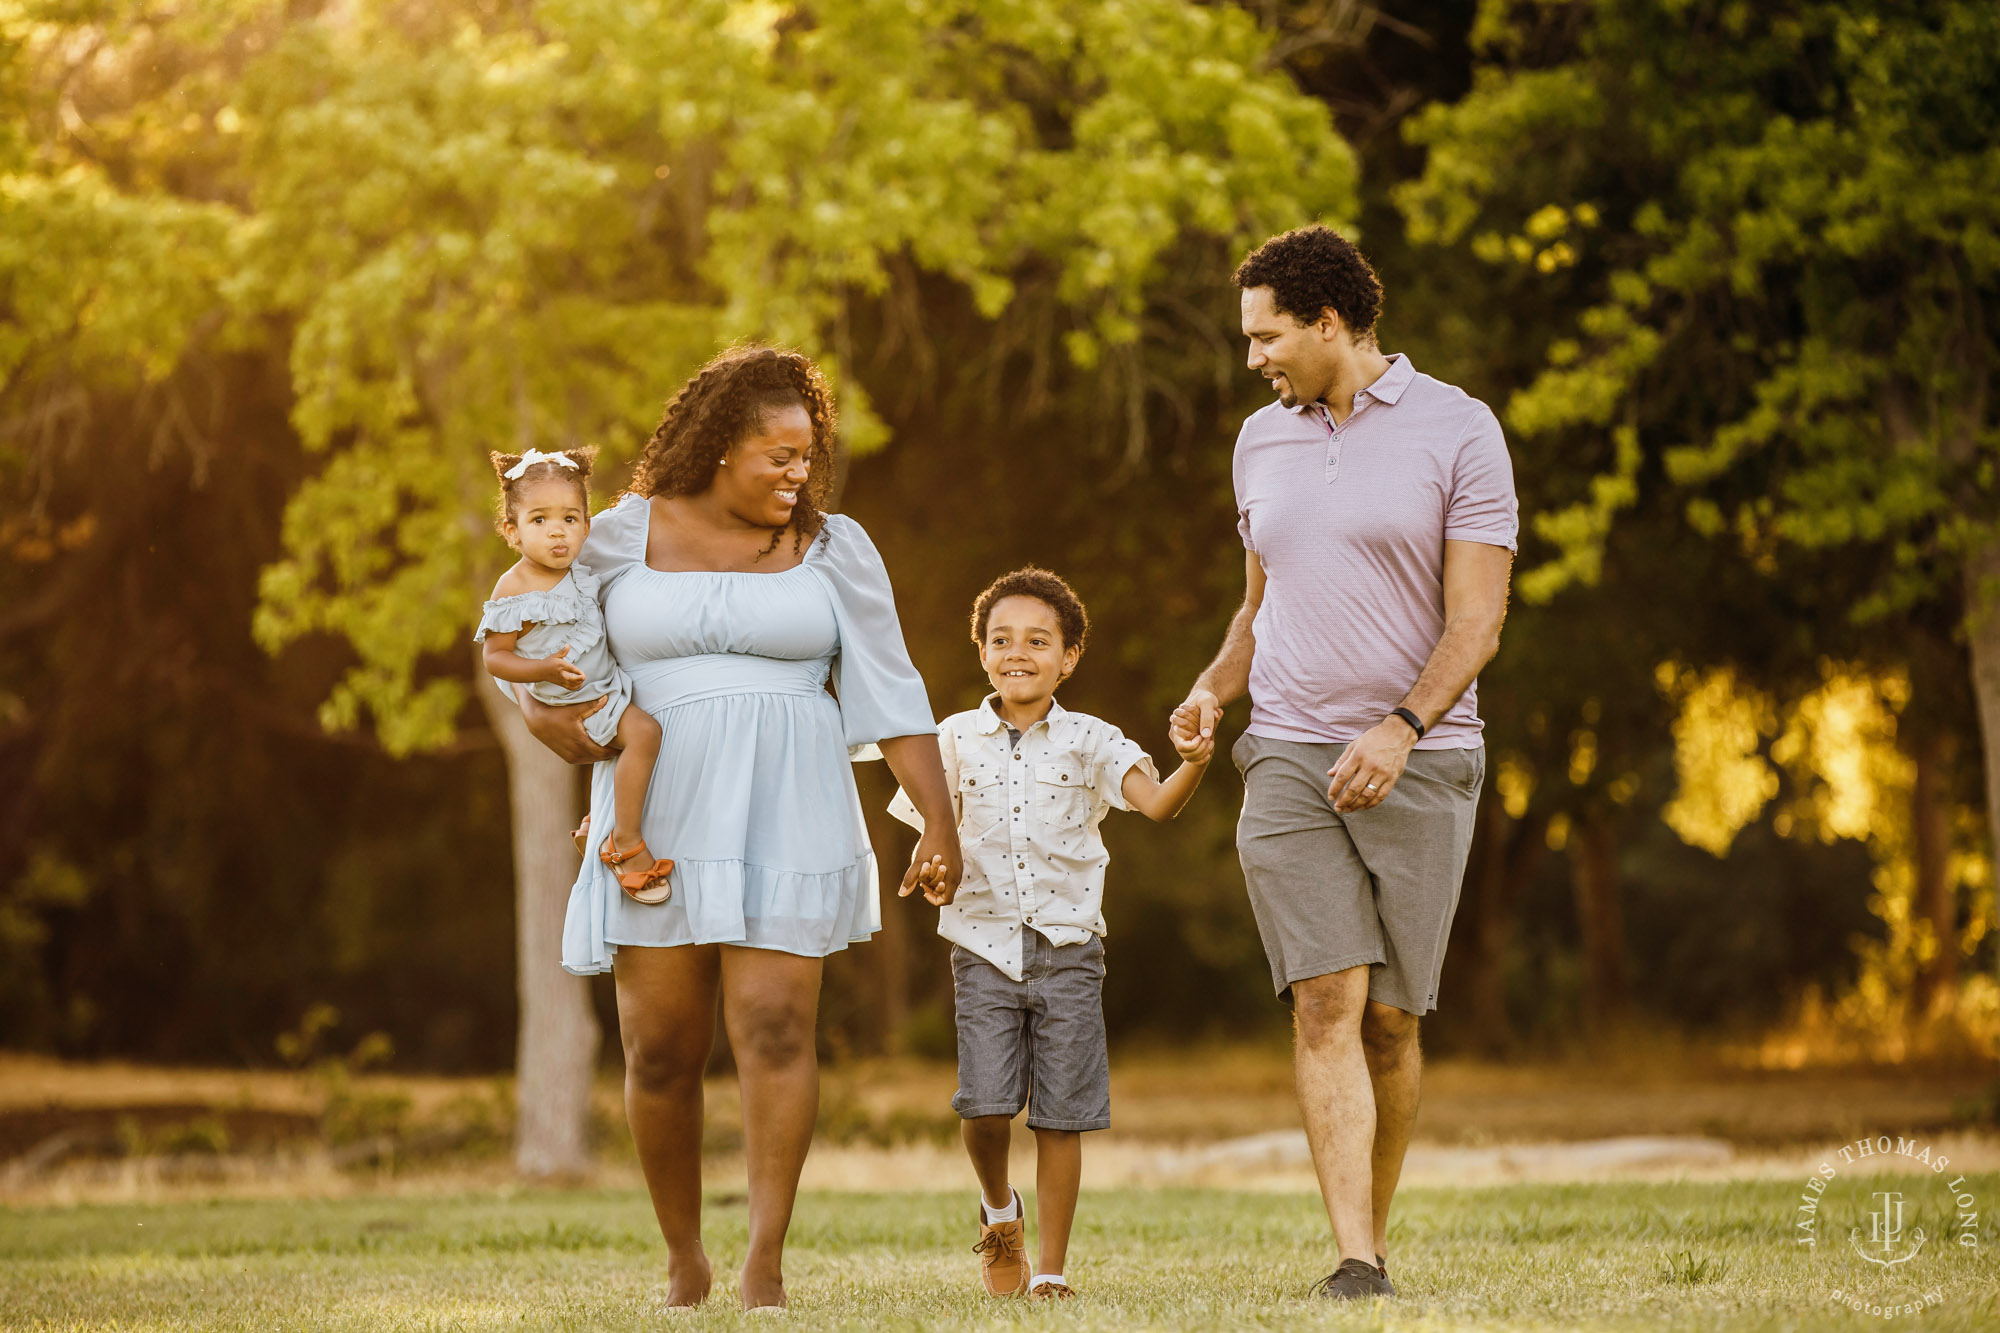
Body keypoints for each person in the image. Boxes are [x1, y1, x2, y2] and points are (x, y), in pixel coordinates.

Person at [514, 346, 962, 1313]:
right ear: (719, 448)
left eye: (808, 457)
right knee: (662, 1046)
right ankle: (684, 1256)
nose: (798, 475)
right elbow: (544, 647)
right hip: (659, 800)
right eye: (777, 456)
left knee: (772, 1024)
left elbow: (893, 691)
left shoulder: (835, 547)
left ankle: (764, 1259)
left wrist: (939, 820)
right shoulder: (617, 536)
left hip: (790, 797)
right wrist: (552, 720)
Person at [1171, 226, 1517, 1301]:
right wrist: (1210, 689)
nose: (1251, 359)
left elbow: (1477, 621)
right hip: (1283, 752)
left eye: (1265, 336)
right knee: (1324, 996)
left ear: (1330, 322)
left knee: (1389, 1018)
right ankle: (1355, 1257)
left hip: (1421, 757)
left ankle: (1371, 1227)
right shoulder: (1257, 440)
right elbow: (1254, 603)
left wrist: (1399, 726)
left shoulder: (1458, 430)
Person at [892, 567, 1212, 1302]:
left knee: (1062, 1114)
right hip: (981, 947)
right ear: (981, 652)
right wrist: (935, 869)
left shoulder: (1092, 741)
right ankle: (1000, 1212)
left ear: (1068, 657)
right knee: (984, 1104)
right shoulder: (952, 739)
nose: (1018, 653)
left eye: (1038, 640)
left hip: (1070, 951)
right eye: (1002, 639)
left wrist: (1192, 762)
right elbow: (932, 836)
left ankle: (1050, 1270)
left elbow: (1159, 805)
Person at [477, 446, 670, 902]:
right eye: (539, 520)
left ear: (587, 523)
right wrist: (541, 668)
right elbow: (495, 658)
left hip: (604, 684)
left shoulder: (579, 570)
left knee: (635, 753)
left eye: (570, 519)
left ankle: (597, 828)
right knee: (645, 736)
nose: (557, 532)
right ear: (512, 531)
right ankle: (626, 844)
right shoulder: (515, 587)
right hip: (575, 700)